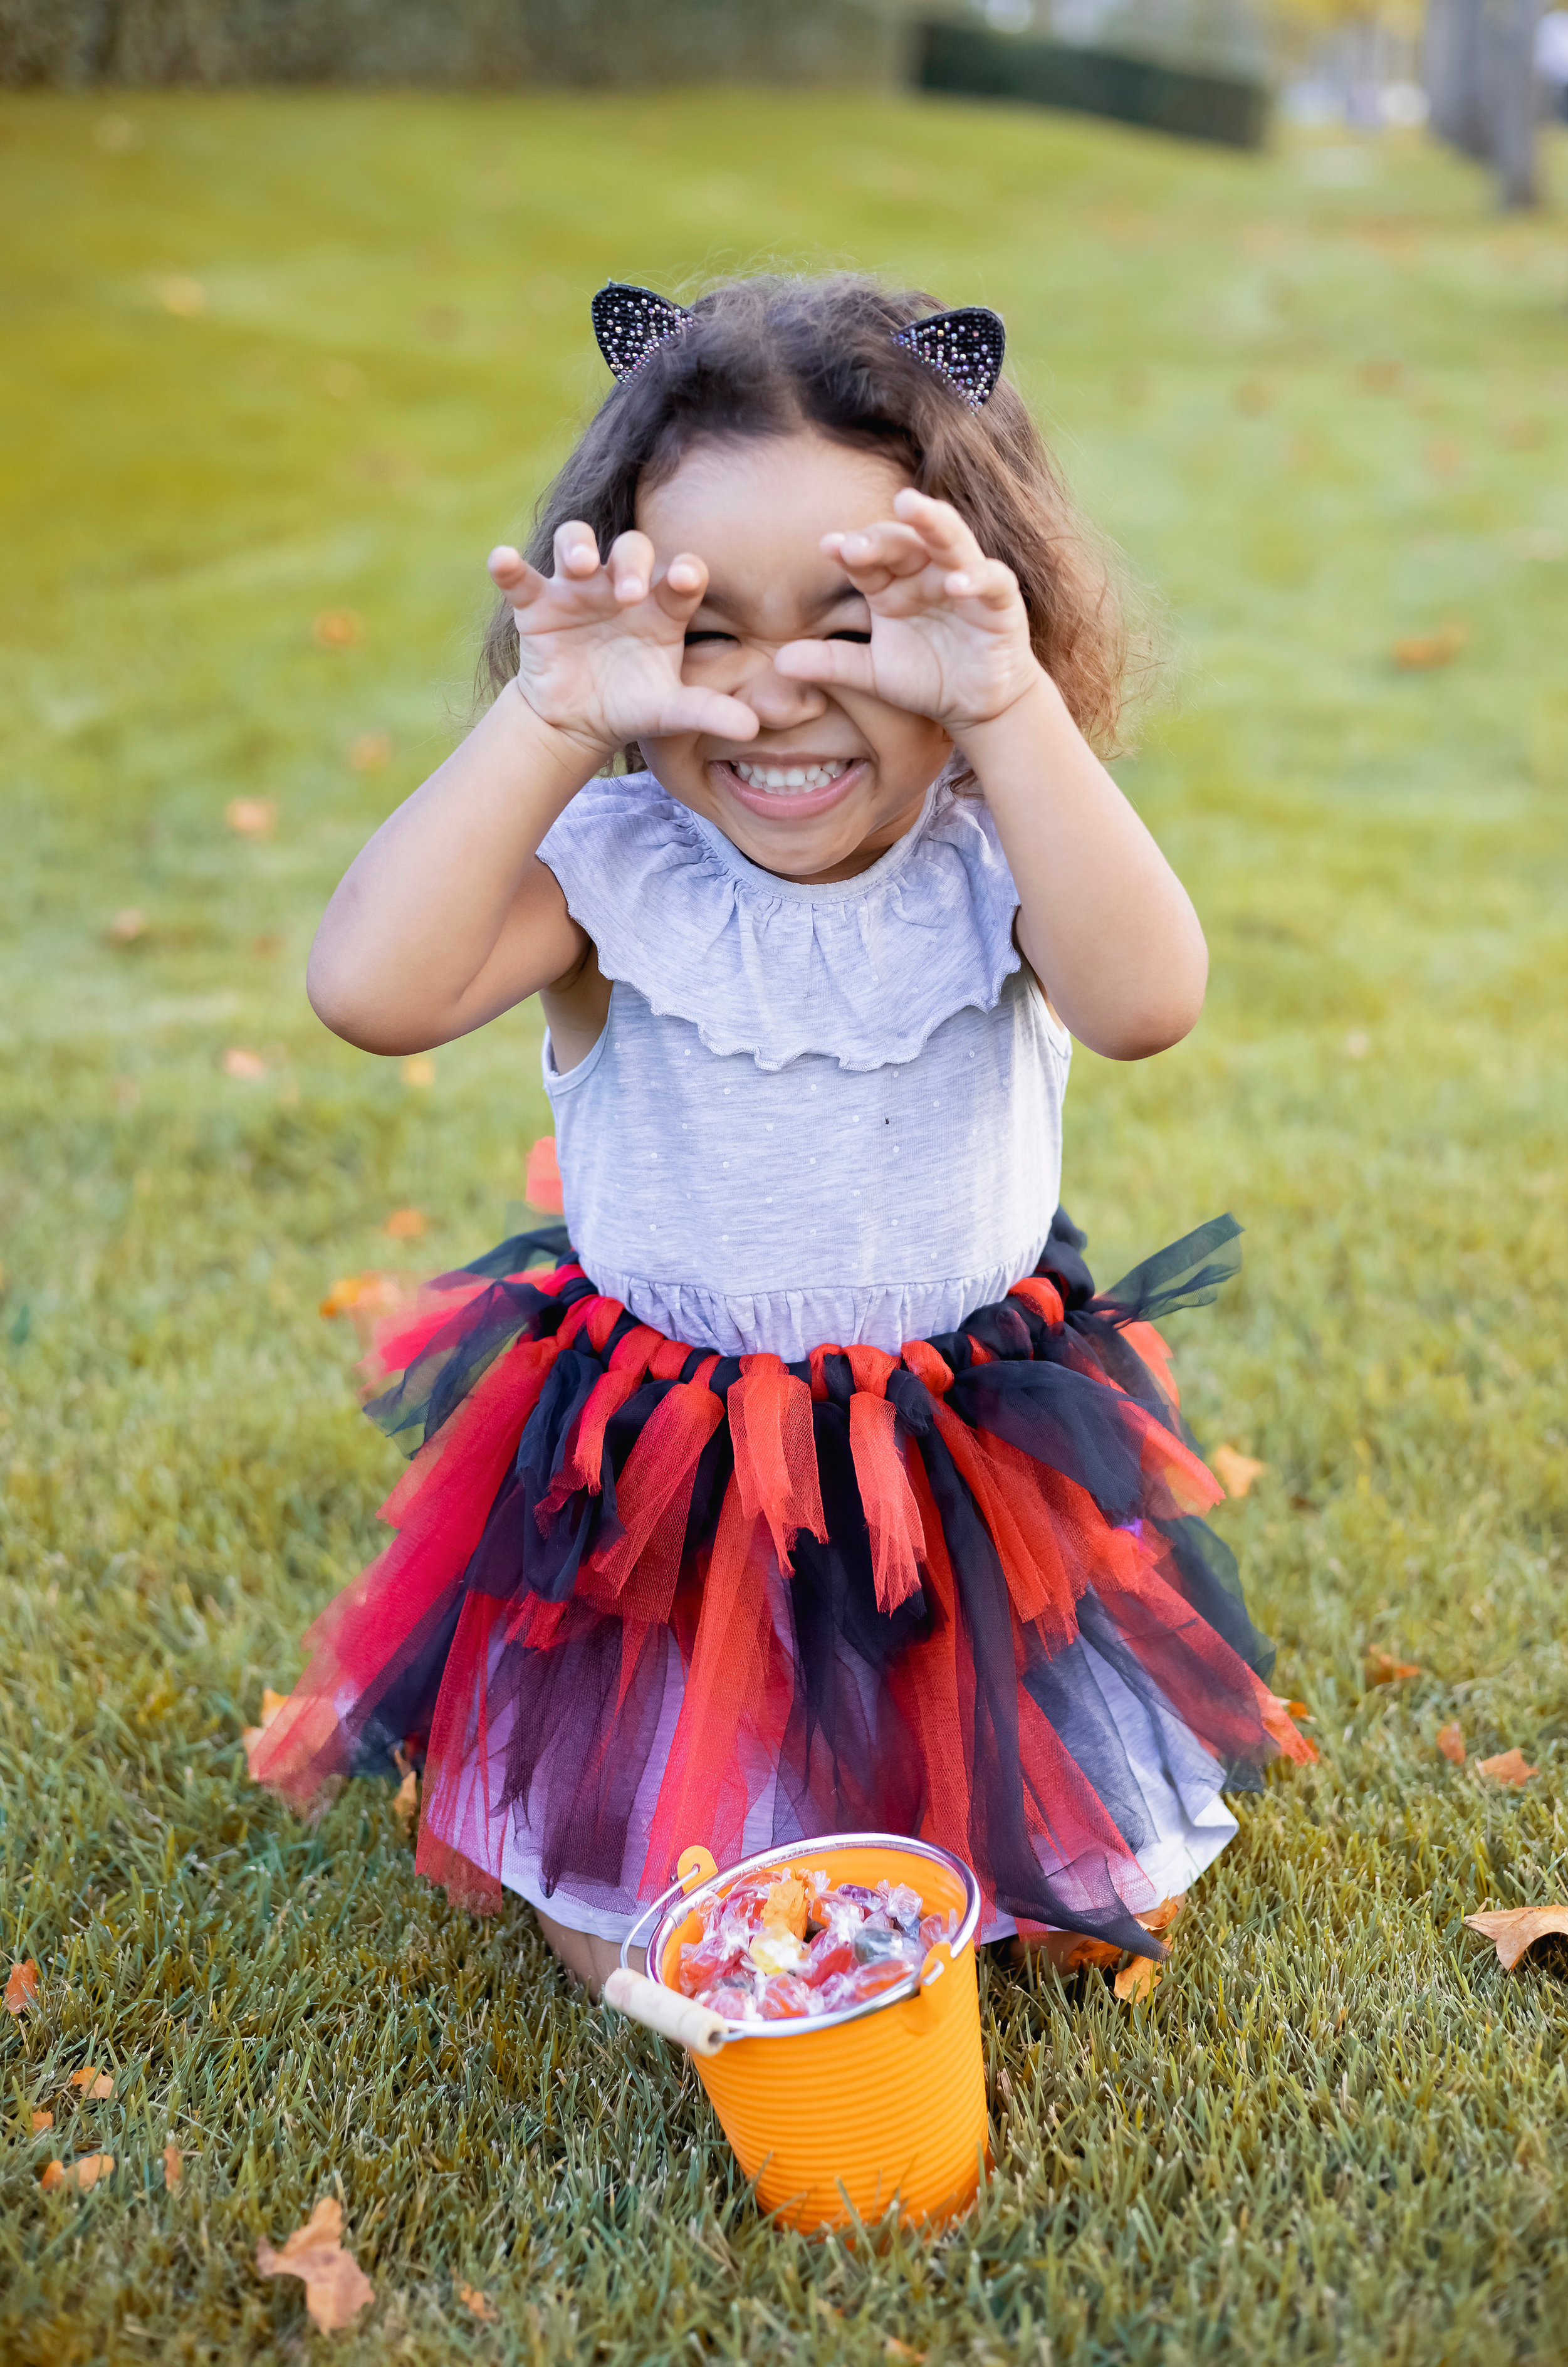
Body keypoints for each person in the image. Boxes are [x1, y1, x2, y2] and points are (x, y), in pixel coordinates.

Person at [251, 273, 1312, 1998]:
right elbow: (371, 988)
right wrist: (549, 718)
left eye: (849, 616)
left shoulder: (1000, 855)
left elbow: (1148, 999)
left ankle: (949, 1841)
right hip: (679, 1478)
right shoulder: (612, 879)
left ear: (981, 608)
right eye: (706, 629)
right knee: (664, 1953)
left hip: (953, 1464)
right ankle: (695, 1848)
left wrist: (1006, 702)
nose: (777, 697)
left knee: (1055, 1892)